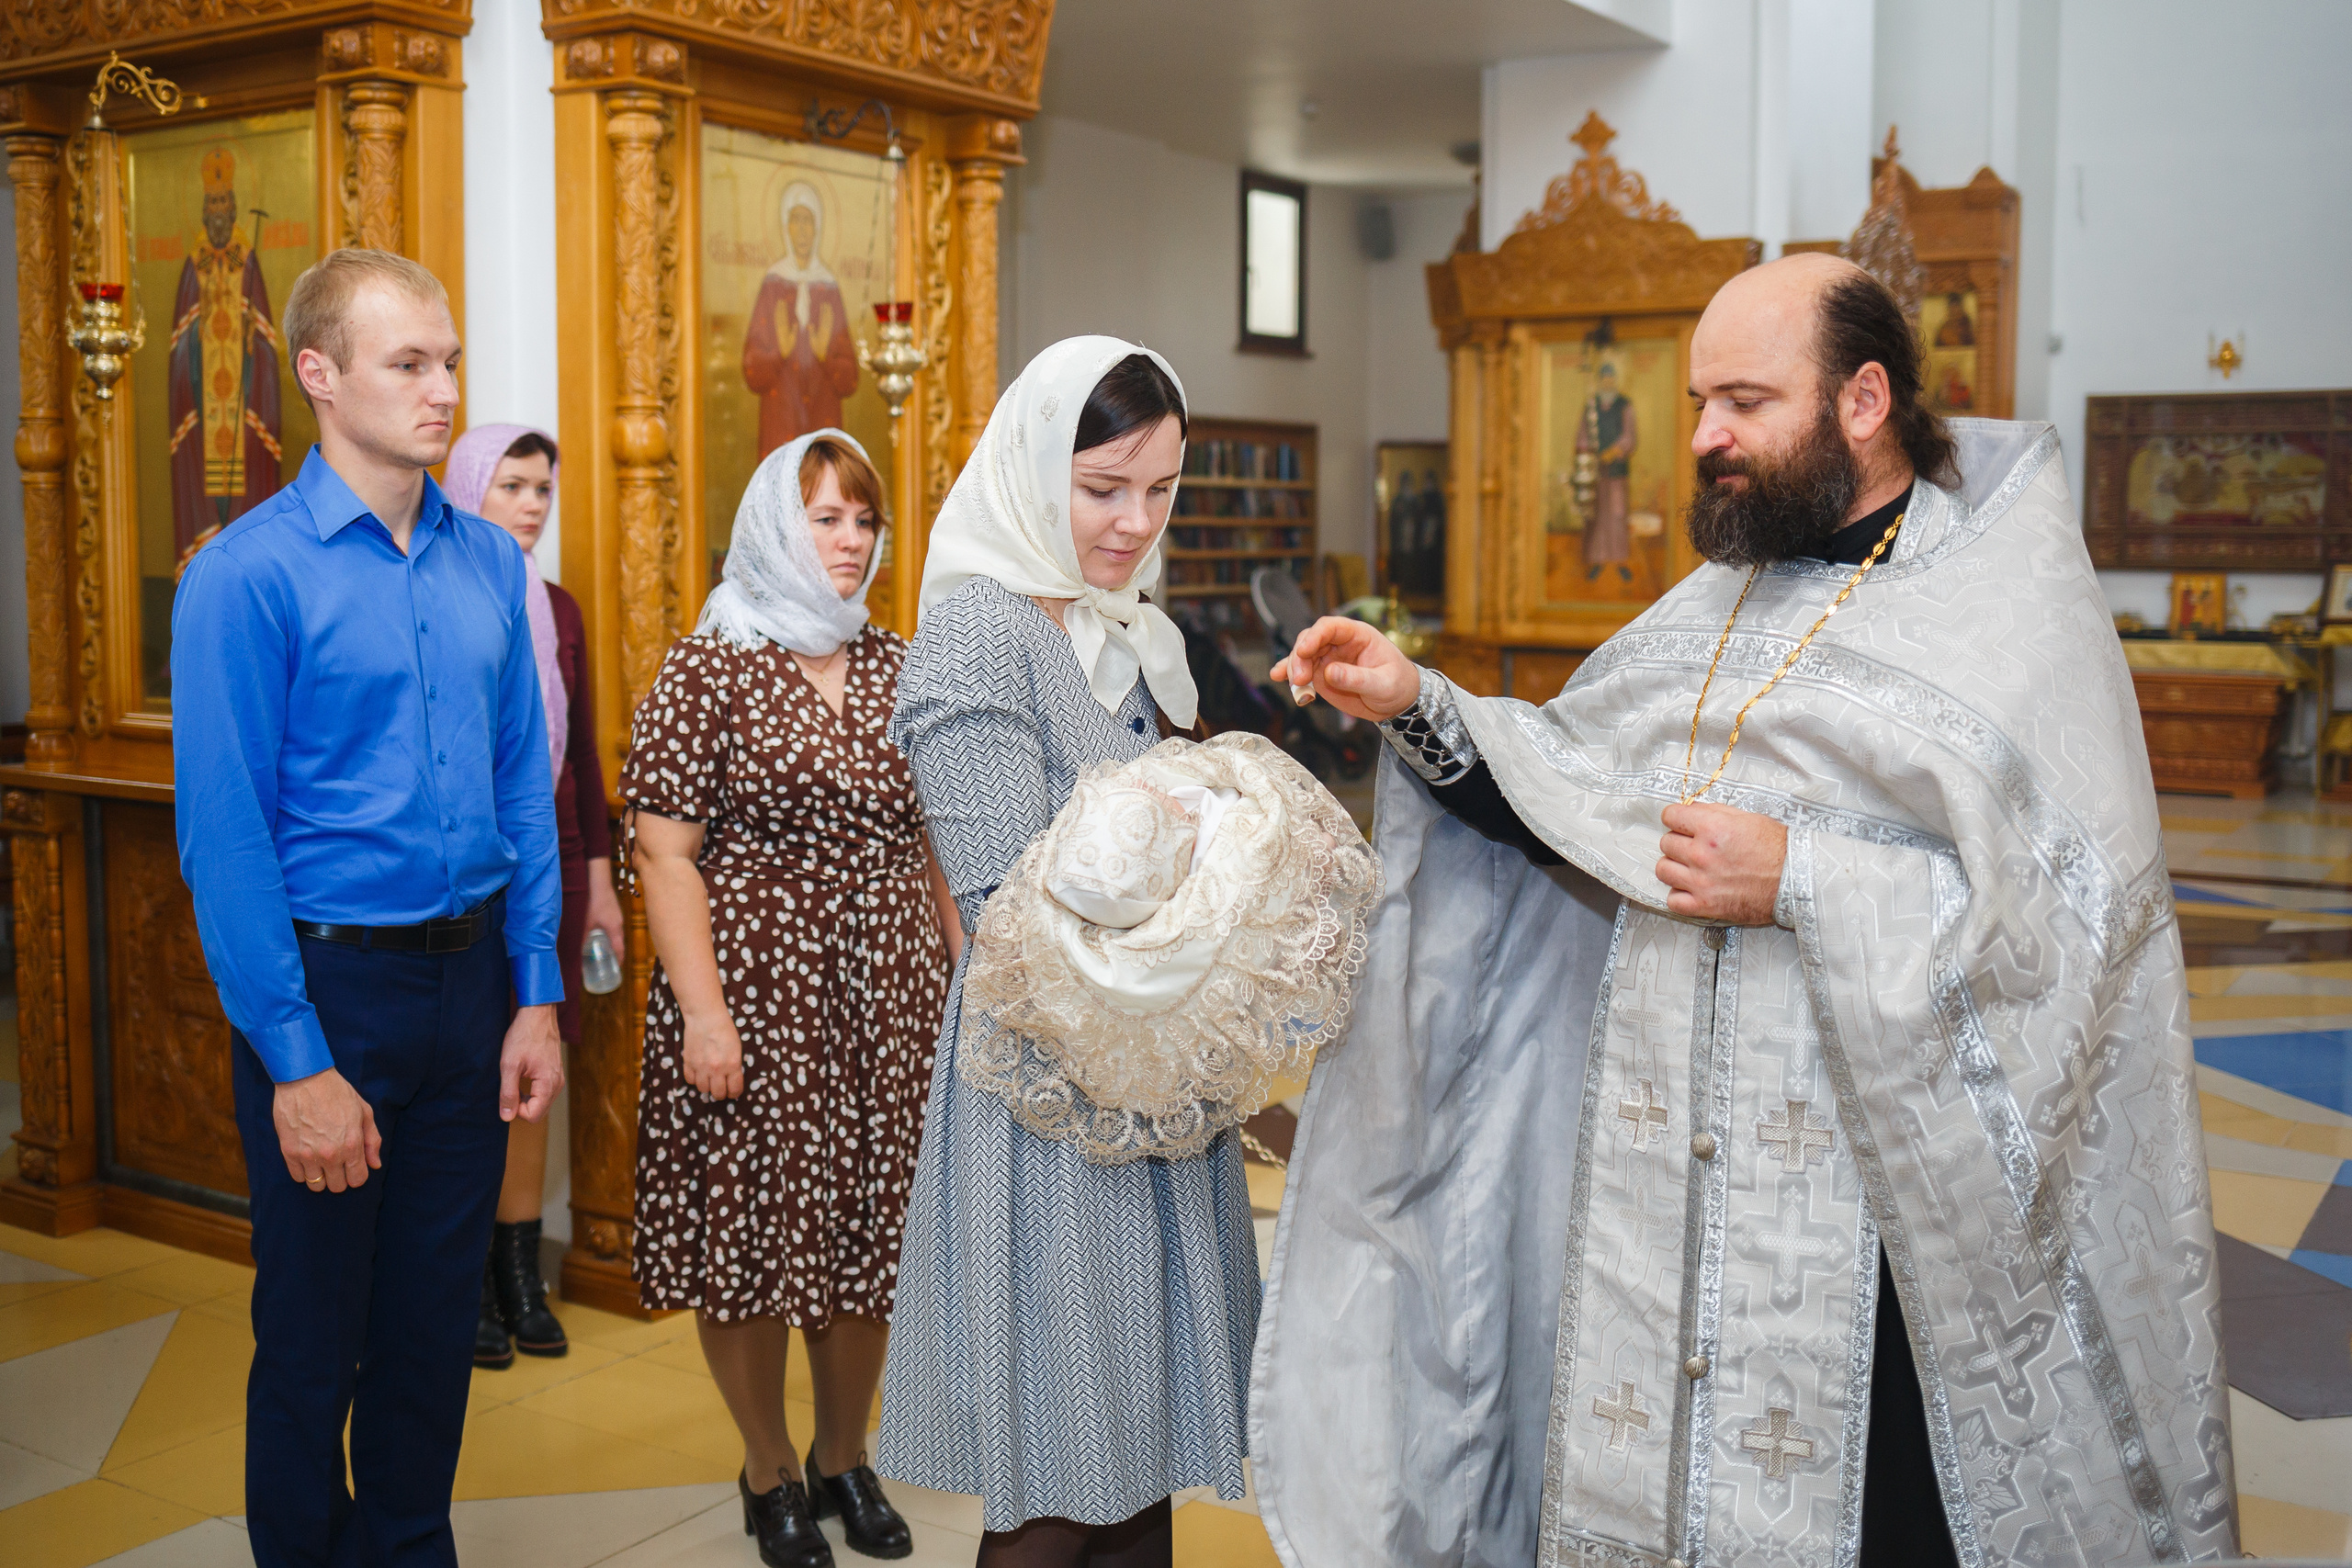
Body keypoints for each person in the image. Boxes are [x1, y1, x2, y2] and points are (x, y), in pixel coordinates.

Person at [1254, 254, 2236, 1567]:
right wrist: (1413, 700)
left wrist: (1800, 878)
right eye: (1700, 402)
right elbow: (1573, 793)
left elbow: (2074, 924)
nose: (1707, 436)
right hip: (1670, 1197)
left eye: (1745, 402)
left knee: (1884, 1511)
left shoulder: (2008, 610)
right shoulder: (1717, 600)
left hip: (1884, 1224)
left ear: (1863, 400)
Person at [172, 247, 564, 1568]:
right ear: (320, 375)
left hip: (473, 990)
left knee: (431, 1331)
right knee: (312, 1337)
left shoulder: (488, 565)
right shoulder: (246, 574)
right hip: (328, 992)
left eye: (450, 361)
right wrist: (296, 1062)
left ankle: (407, 1549)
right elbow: (226, 841)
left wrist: (536, 994)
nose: (444, 388)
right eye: (410, 363)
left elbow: (522, 790)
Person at [876, 338, 1260, 1568]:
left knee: (1138, 1467)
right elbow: (1006, 907)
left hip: (1149, 1083)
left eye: (1160, 489)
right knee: (1057, 1484)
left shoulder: (1129, 629)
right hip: (1050, 1098)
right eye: (1103, 489)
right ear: (1035, 471)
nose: (1134, 522)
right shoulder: (980, 633)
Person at [623, 428, 956, 1568]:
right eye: (826, 518)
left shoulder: (900, 664)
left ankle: (842, 1456)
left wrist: (964, 980)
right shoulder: (707, 668)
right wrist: (704, 1015)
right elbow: (664, 856)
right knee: (753, 1238)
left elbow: (932, 841)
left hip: (888, 997)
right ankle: (766, 1468)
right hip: (756, 998)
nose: (851, 540)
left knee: (870, 1232)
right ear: (775, 525)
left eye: (865, 520)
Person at [443, 423, 626, 1368]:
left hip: (552, 864)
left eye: (543, 488)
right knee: (470, 1076)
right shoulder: (441, 591)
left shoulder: (557, 609)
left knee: (534, 1073)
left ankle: (520, 1273)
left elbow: (580, 756)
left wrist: (600, 885)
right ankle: (468, 1277)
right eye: (510, 484)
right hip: (467, 872)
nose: (529, 504)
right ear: (468, 486)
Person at [170, 145, 283, 565]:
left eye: (223, 203)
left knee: (242, 493)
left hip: (242, 403)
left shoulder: (247, 263)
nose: (218, 212)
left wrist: (252, 342)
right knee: (207, 489)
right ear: (203, 213)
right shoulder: (194, 265)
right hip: (205, 405)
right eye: (211, 204)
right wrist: (196, 343)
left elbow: (268, 345)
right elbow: (179, 347)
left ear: (234, 210)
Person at [743, 183, 860, 458]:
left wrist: (825, 354)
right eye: (796, 220)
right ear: (786, 227)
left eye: (808, 220)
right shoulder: (773, 284)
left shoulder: (828, 287)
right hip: (780, 425)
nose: (803, 229)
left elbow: (850, 380)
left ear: (817, 227)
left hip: (823, 428)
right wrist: (779, 353)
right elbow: (752, 373)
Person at [1577, 358, 1637, 581]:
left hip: (1617, 471)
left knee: (1617, 514)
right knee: (1598, 515)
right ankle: (1598, 560)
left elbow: (1630, 436)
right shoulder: (1591, 406)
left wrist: (1613, 452)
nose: (1608, 381)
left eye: (1611, 377)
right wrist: (1589, 452)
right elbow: (1583, 435)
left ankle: (1620, 561)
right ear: (1601, 380)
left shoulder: (1624, 405)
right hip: (1596, 472)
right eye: (1605, 378)